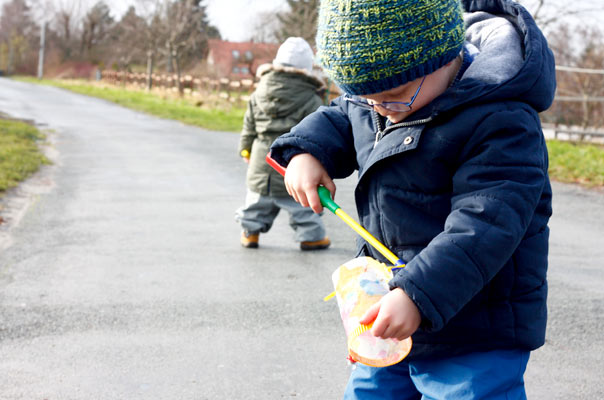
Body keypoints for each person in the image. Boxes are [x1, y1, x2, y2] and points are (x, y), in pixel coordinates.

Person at [270, 0, 556, 398]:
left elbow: (486, 222)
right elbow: (343, 114)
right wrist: (306, 151)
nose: (379, 110)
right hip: (388, 307)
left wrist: (418, 294)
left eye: (392, 96)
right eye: (366, 97)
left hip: (475, 326)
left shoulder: (501, 119)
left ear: (443, 57)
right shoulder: (381, 97)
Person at [236, 37, 331, 250]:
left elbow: (249, 125)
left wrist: (245, 148)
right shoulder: (312, 99)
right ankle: (311, 236)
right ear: (307, 68)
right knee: (301, 203)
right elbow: (315, 132)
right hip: (293, 161)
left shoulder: (258, 92)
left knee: (257, 200)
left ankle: (250, 233)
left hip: (262, 158)